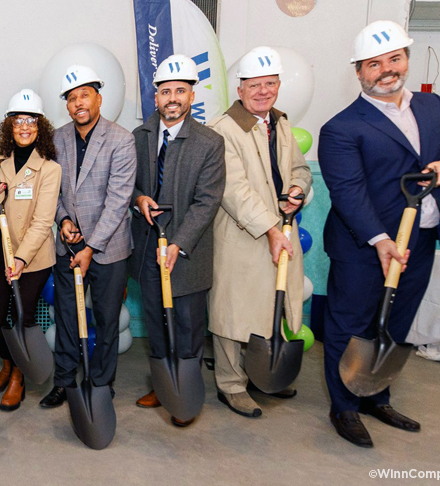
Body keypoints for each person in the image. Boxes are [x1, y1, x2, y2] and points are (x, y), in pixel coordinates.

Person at [319, 20, 440, 448]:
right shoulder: (341, 128)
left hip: (420, 239)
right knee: (350, 324)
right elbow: (348, 193)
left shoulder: (432, 106)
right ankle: (345, 407)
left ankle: (376, 395)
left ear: (405, 59)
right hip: (363, 245)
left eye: (394, 59)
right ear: (358, 71)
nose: (386, 70)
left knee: (397, 322)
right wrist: (380, 240)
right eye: (374, 64)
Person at [207, 46, 311, 419]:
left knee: (270, 307)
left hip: (280, 230)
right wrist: (269, 228)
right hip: (243, 236)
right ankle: (231, 386)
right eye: (255, 85)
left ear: (278, 86)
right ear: (240, 89)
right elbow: (233, 190)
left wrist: (298, 189)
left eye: (270, 84)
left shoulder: (280, 123)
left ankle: (260, 376)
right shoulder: (223, 130)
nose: (263, 91)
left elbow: (299, 168)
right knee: (232, 315)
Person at [130, 55, 225, 427]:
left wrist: (178, 242)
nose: (172, 98)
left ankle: (184, 391)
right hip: (148, 249)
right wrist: (139, 200)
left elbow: (209, 200)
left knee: (186, 325)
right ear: (155, 97)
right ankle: (162, 383)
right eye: (165, 91)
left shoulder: (209, 142)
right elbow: (128, 185)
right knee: (156, 320)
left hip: (186, 254)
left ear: (191, 95)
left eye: (180, 91)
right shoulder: (139, 138)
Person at [41, 65, 136, 409]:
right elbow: (53, 190)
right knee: (67, 316)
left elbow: (118, 199)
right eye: (71, 98)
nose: (78, 102)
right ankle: (65, 382)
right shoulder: (56, 138)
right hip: (68, 246)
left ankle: (100, 383)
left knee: (107, 320)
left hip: (109, 249)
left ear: (98, 98)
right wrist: (63, 220)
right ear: (66, 105)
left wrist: (92, 246)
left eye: (84, 95)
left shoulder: (122, 139)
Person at [0, 89, 61, 412]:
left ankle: (18, 375)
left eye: (31, 120)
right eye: (18, 120)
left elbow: (43, 222)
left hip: (33, 256)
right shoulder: (1, 158)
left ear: (40, 125)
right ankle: (6, 360)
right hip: (0, 247)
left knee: (21, 316)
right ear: (9, 125)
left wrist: (20, 257)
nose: (24, 126)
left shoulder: (50, 168)